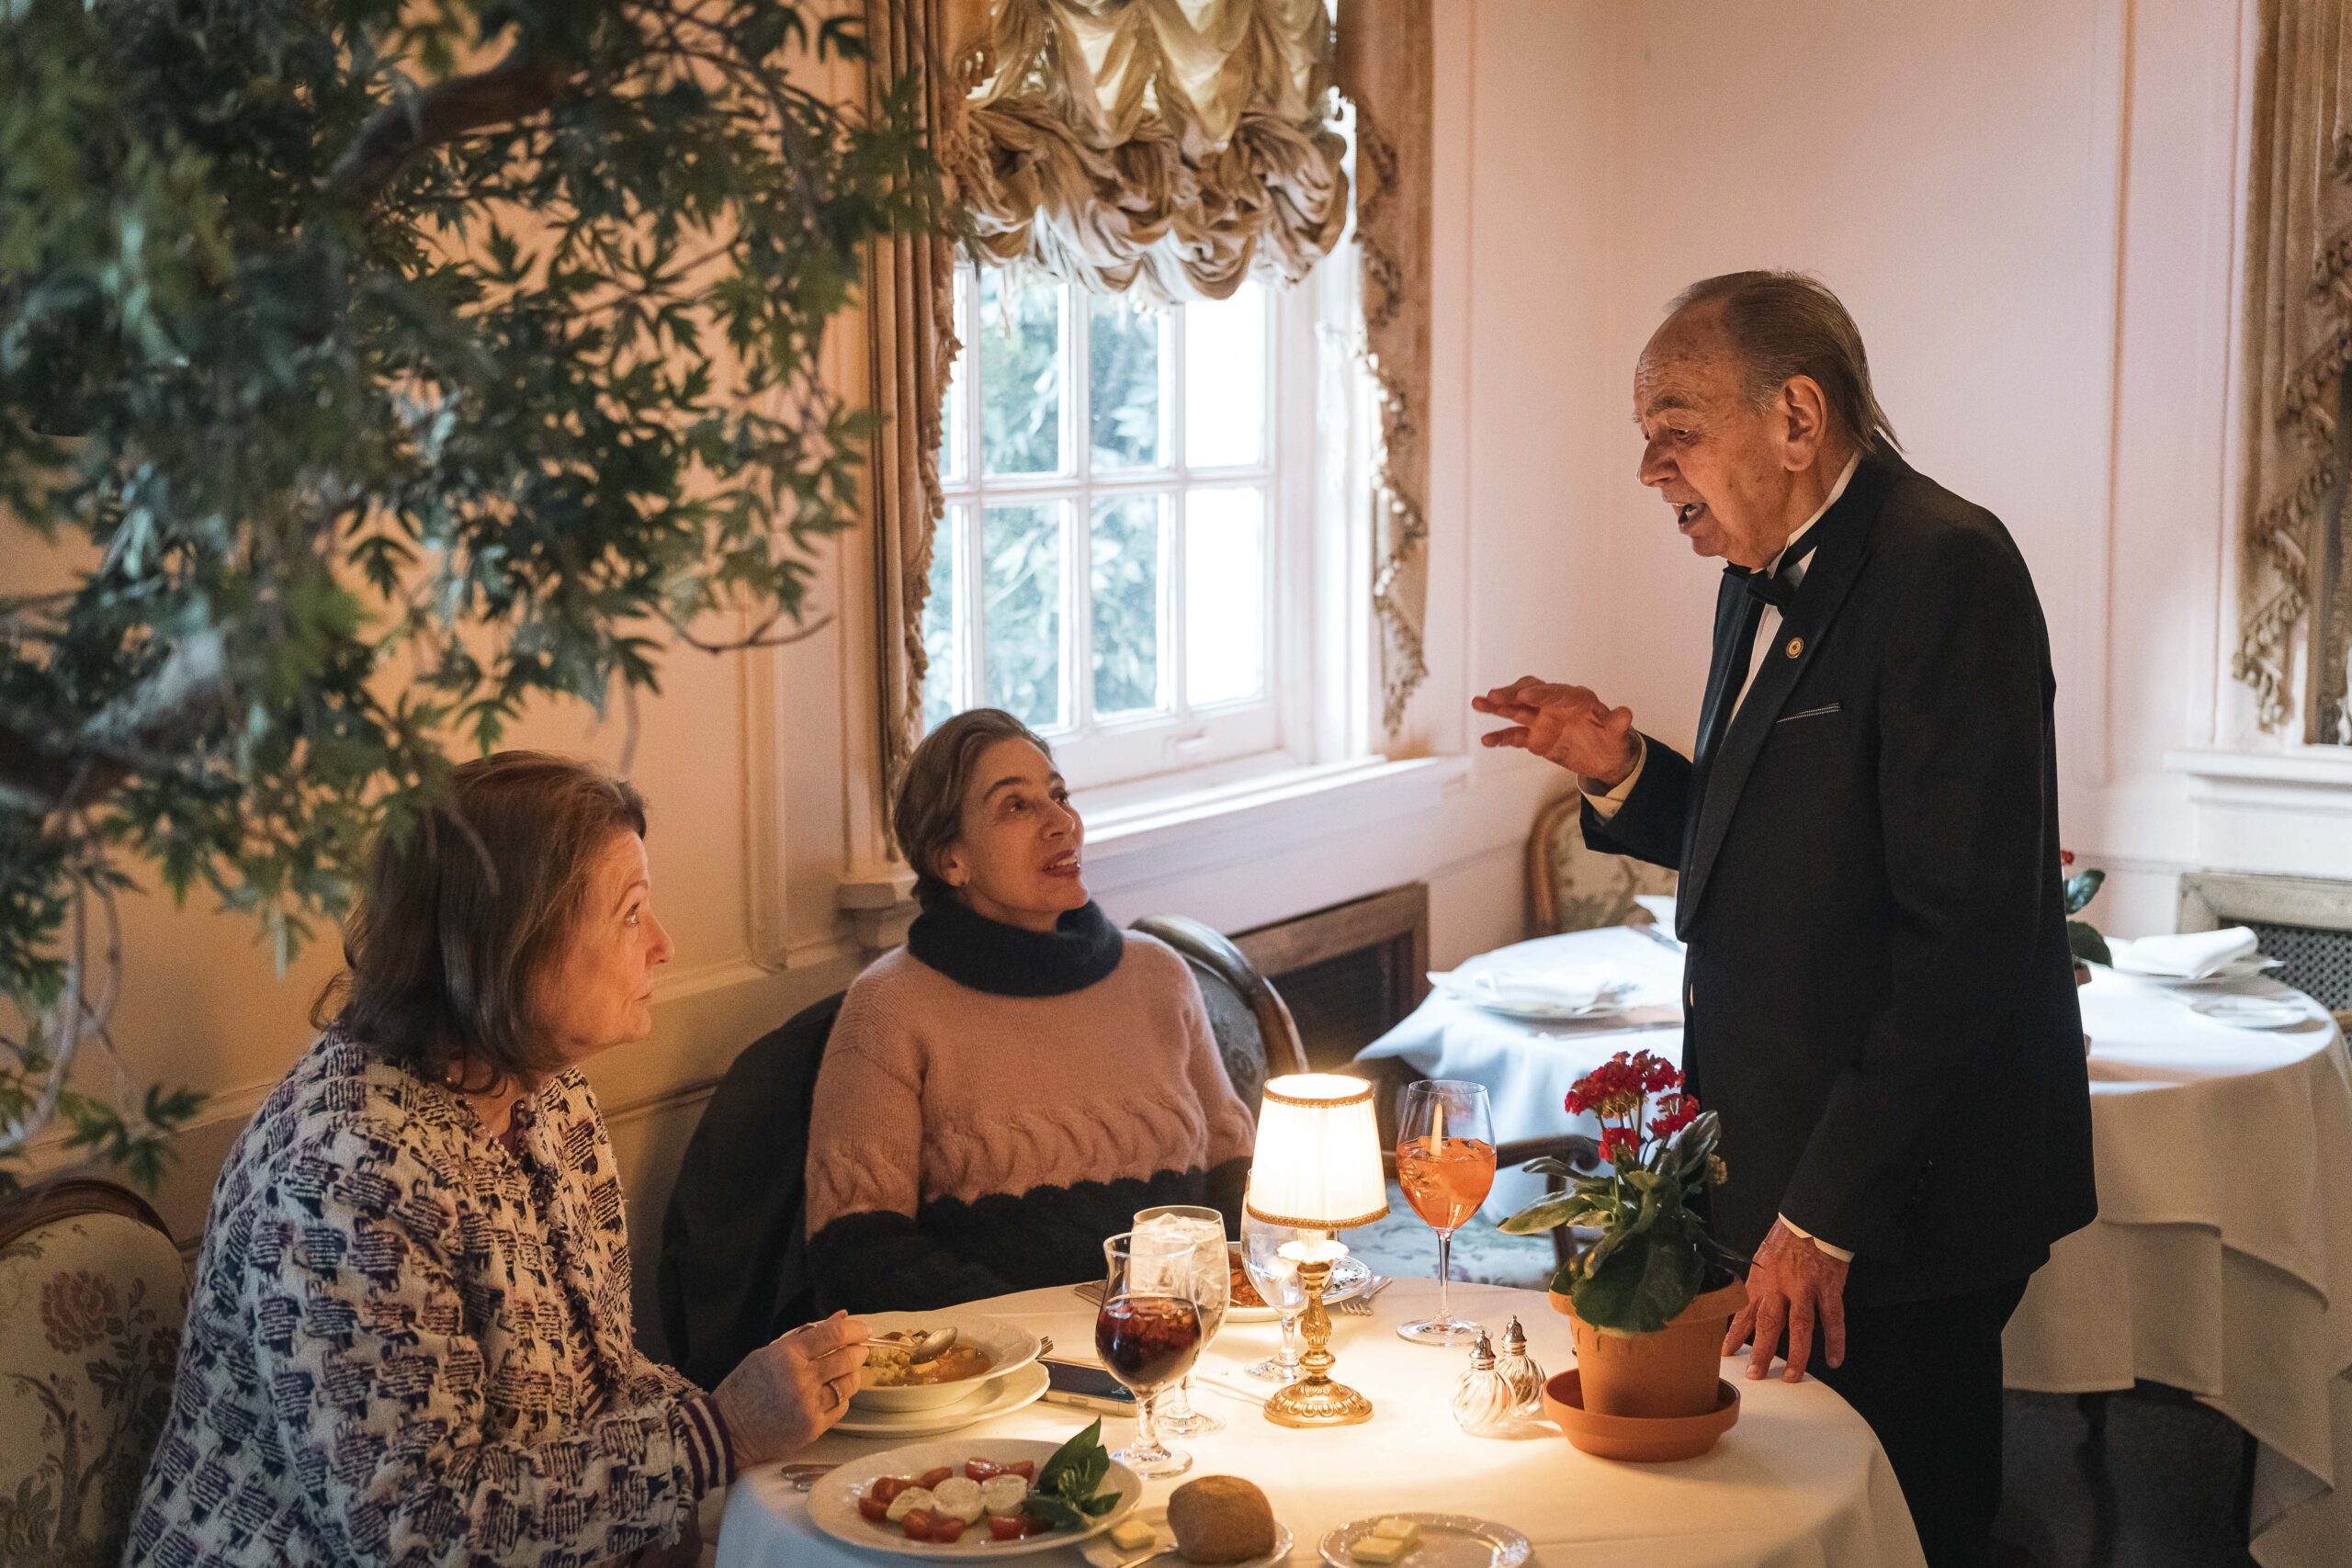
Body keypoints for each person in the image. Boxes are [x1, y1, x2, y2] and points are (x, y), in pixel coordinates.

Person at [1474, 272, 2095, 1568]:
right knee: (1789, 1525)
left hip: (1897, 1202)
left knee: (1903, 1528)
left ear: (1797, 416)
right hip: (1782, 1170)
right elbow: (1793, 842)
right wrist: (1619, 767)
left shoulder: (1946, 569)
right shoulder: (1754, 573)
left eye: (1677, 425)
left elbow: (1965, 942)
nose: (1651, 466)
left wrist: (1823, 1215)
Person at [127, 752, 868, 1568]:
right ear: (509, 944)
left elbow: (599, 1376)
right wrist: (719, 1432)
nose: (662, 944)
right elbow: (417, 1534)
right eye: (629, 914)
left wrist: (792, 1411)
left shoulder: (549, 1094)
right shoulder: (344, 1177)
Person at [804, 708, 1256, 1313]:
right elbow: (860, 1257)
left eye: (1058, 794)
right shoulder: (889, 1007)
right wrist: (1043, 1344)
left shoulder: (1159, 975)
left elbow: (1238, 1187)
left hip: (1185, 1349)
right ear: (951, 858)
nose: (1061, 822)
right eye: (1015, 806)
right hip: (1000, 1379)